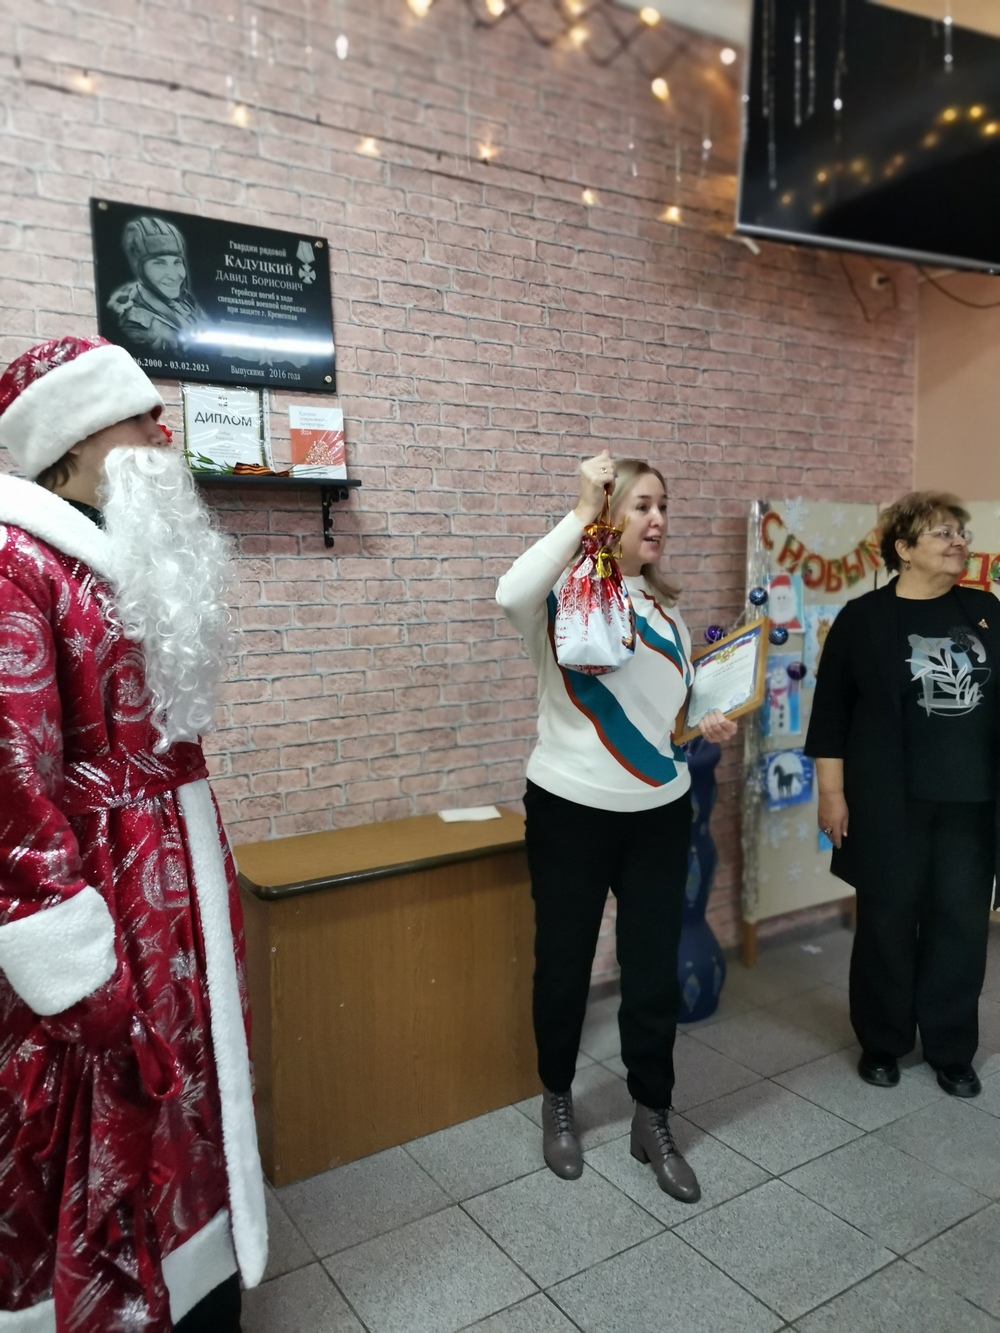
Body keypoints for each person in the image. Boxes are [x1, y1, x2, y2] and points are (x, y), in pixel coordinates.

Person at [0, 336, 267, 1331]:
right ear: (71, 441)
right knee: (107, 1111)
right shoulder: (16, 563)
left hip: (172, 882)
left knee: (187, 1098)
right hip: (102, 903)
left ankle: (199, 1284)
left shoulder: (117, 553)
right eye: (141, 416)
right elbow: (10, 782)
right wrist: (73, 967)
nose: (166, 432)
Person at [496, 450, 736, 1202]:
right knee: (564, 966)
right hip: (569, 810)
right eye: (641, 505)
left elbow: (667, 718)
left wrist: (707, 720)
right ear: (608, 513)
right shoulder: (562, 597)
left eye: (664, 506)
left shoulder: (666, 611)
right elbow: (507, 591)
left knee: (652, 972)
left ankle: (652, 1115)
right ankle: (558, 1098)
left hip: (659, 813)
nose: (658, 519)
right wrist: (579, 509)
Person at [806, 491, 998, 1099]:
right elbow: (831, 714)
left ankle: (951, 1048)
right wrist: (831, 794)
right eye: (944, 534)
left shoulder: (985, 610)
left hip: (972, 803)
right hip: (888, 802)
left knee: (960, 926)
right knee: (886, 923)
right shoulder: (863, 619)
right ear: (904, 549)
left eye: (961, 534)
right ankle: (883, 1042)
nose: (959, 543)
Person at [107, 215, 206, 352]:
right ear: (140, 269)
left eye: (177, 262)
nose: (174, 275)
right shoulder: (135, 325)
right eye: (160, 264)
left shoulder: (187, 303)